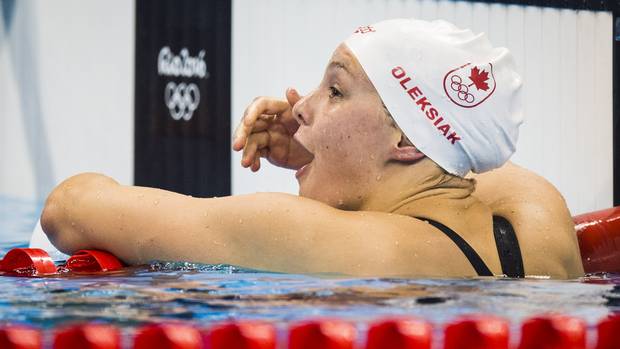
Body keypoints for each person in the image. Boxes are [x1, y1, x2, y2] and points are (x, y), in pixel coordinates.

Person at [40, 19, 583, 278]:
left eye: (336, 91)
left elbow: (69, 211)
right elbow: (460, 168)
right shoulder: (537, 212)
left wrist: (329, 156)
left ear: (407, 141)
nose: (300, 108)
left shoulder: (323, 239)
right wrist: (318, 152)